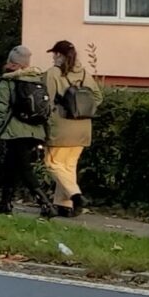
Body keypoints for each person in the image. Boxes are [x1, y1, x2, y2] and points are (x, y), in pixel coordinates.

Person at [0, 44, 55, 217]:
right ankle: (5, 203)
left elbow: (1, 107)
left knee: (24, 168)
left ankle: (46, 204)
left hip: (15, 131)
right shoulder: (38, 79)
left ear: (12, 63)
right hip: (36, 131)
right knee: (10, 166)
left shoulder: (8, 81)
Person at [41, 39, 101, 218]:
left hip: (61, 127)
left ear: (59, 55)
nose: (53, 57)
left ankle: (76, 196)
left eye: (54, 54)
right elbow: (97, 96)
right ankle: (64, 206)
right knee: (68, 166)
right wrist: (83, 109)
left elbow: (46, 100)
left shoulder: (53, 73)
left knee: (52, 164)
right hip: (83, 127)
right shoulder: (83, 73)